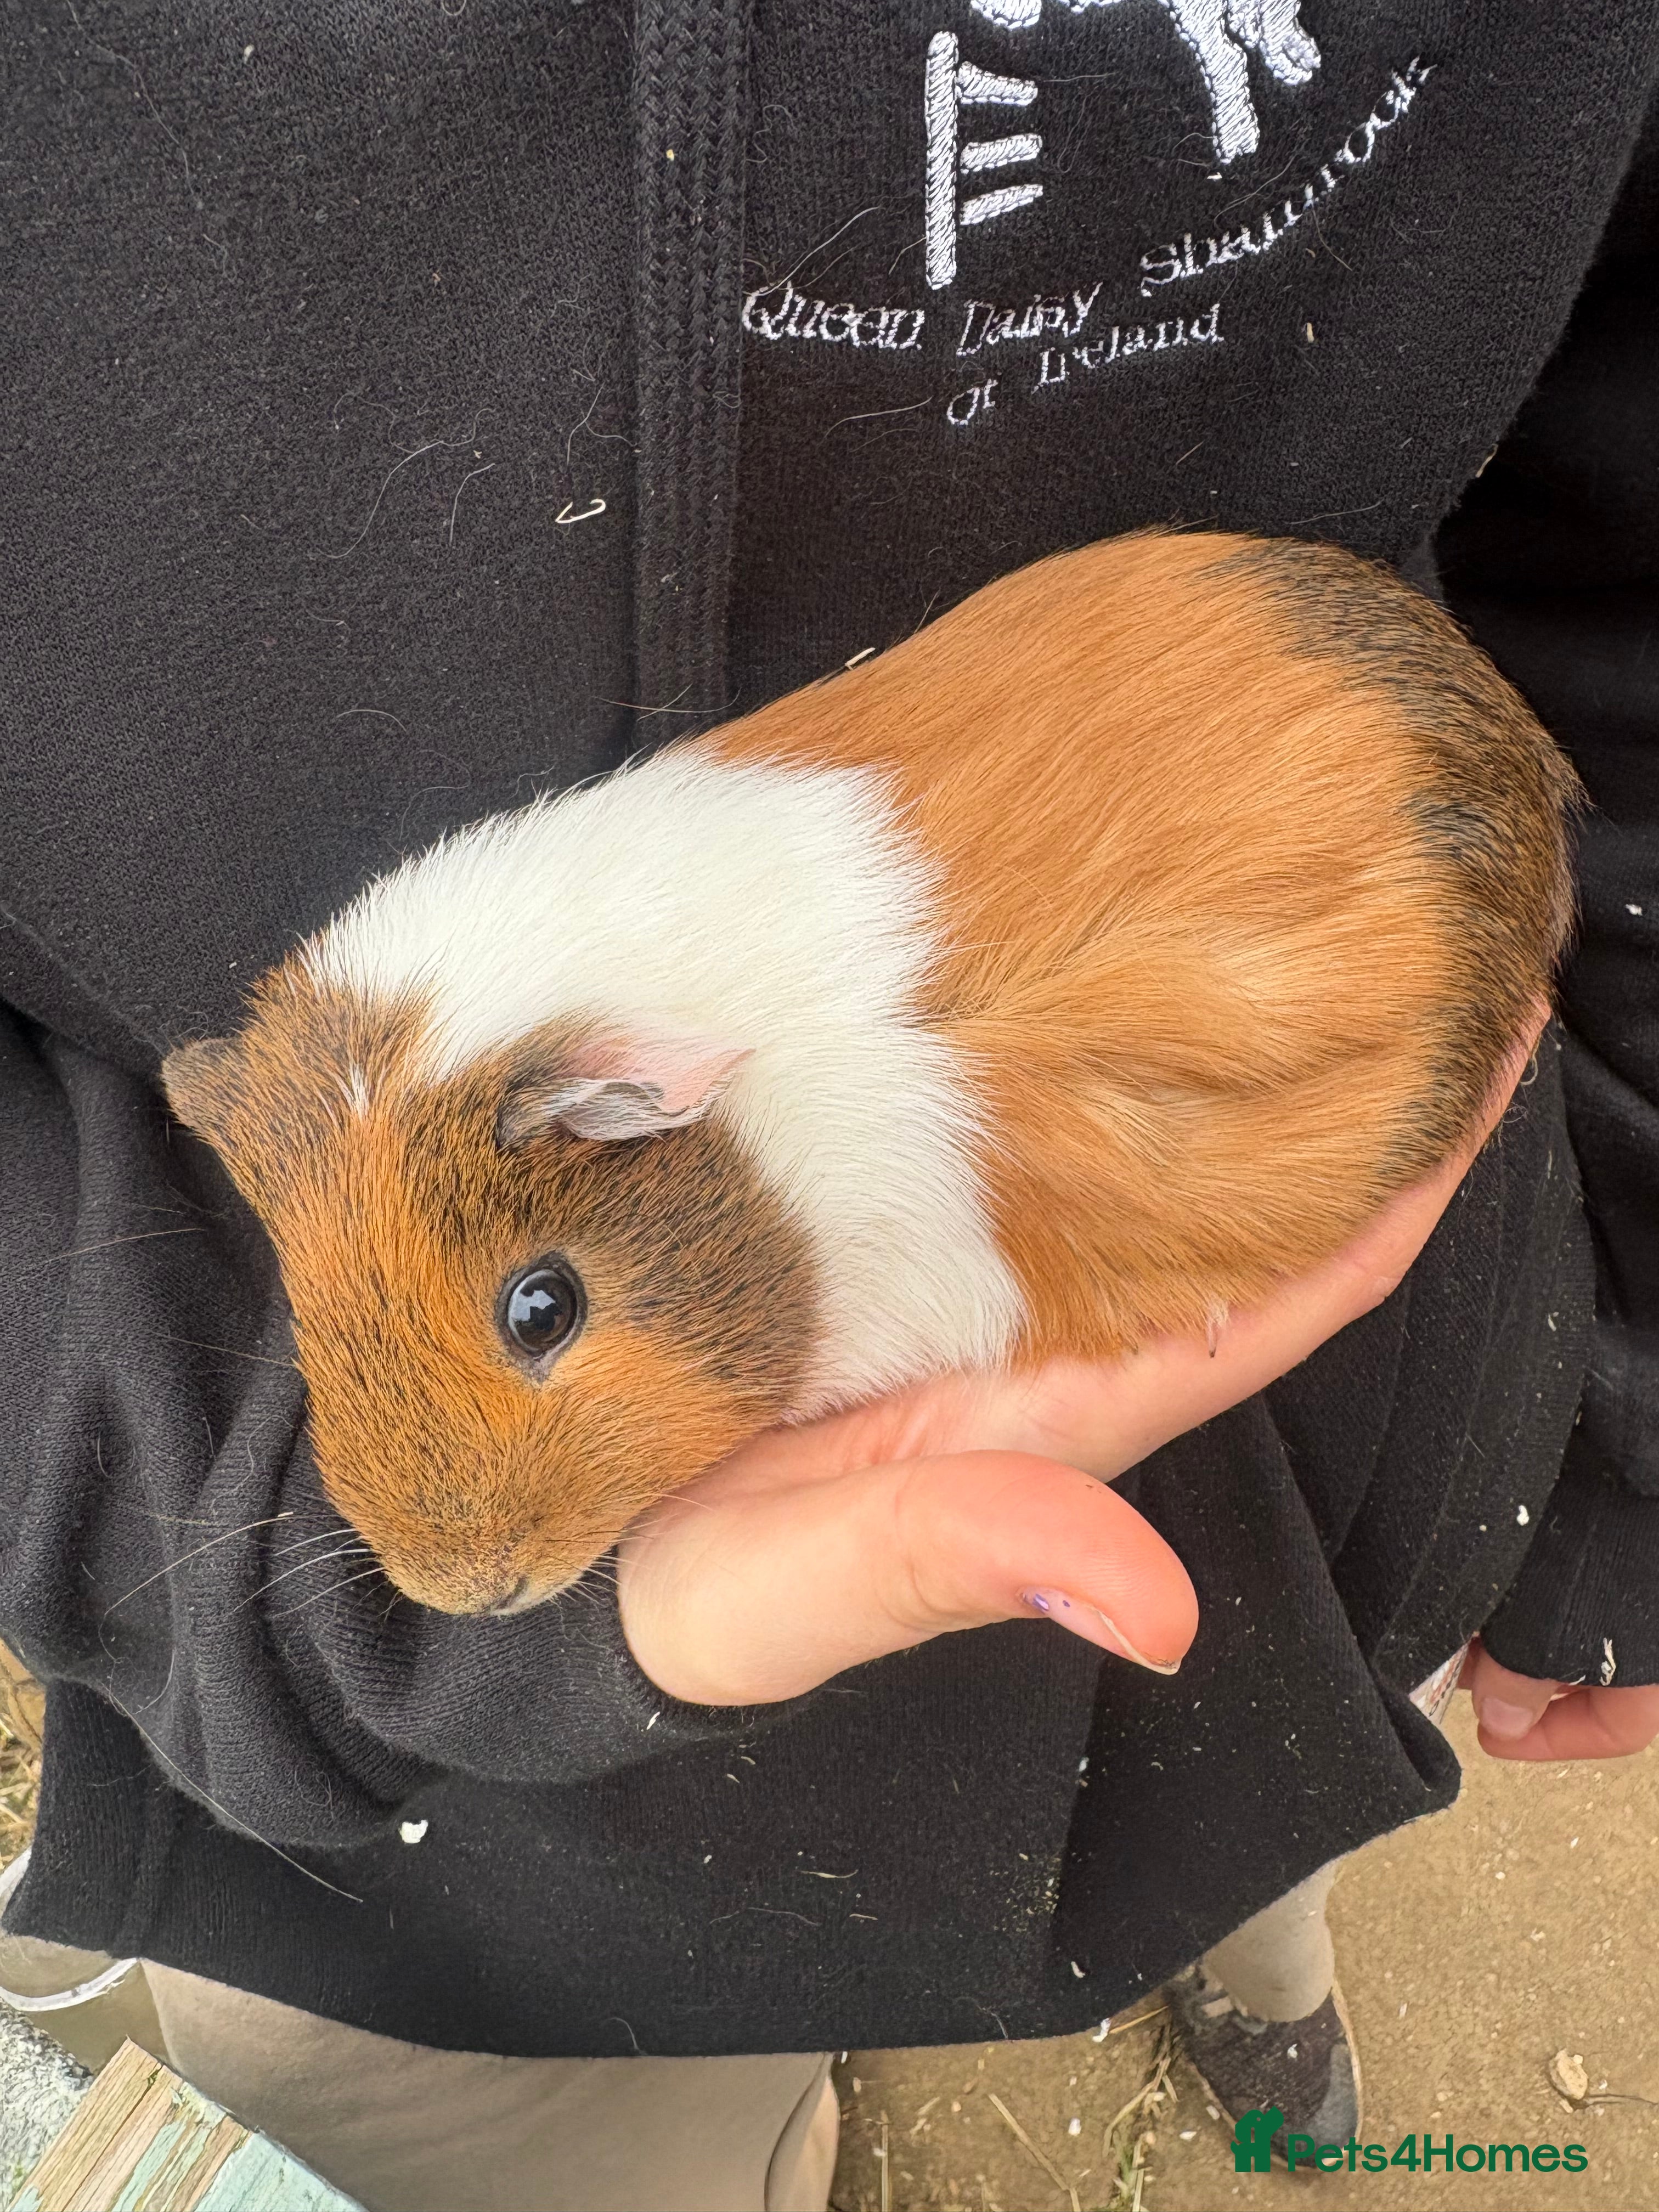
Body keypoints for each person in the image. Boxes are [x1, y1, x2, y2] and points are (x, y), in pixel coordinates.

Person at [1, 4, 1656, 2203]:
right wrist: (292, 1590)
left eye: (529, 1323)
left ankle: (1266, 1999)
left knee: (1265, 1843)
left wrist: (1624, 1440)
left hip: (1298, 1546)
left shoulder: (730, 1063)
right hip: (464, 1899)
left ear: (632, 1104)